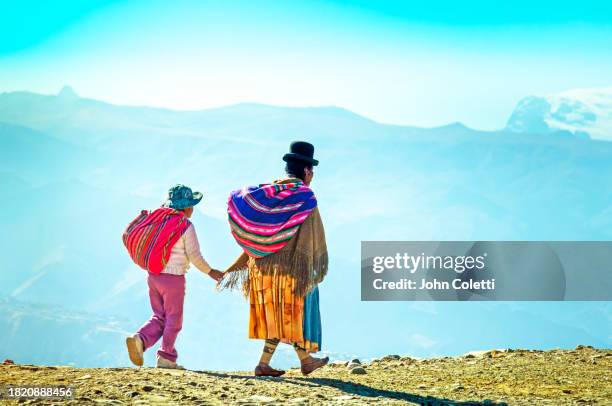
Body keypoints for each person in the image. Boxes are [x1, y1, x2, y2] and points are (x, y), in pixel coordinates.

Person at [221, 141, 329, 377]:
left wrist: (234, 266)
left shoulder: (269, 195)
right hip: (291, 269)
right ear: (307, 172)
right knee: (291, 315)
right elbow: (311, 236)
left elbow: (258, 237)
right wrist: (312, 263)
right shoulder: (305, 197)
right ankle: (303, 361)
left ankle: (273, 363)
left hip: (264, 269)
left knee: (282, 316)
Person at [125, 184, 223, 369]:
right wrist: (211, 271)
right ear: (186, 207)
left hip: (153, 277)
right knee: (174, 319)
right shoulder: (185, 226)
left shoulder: (159, 221)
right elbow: (195, 256)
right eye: (191, 205)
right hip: (173, 280)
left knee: (159, 316)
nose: (193, 209)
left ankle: (140, 339)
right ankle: (166, 358)